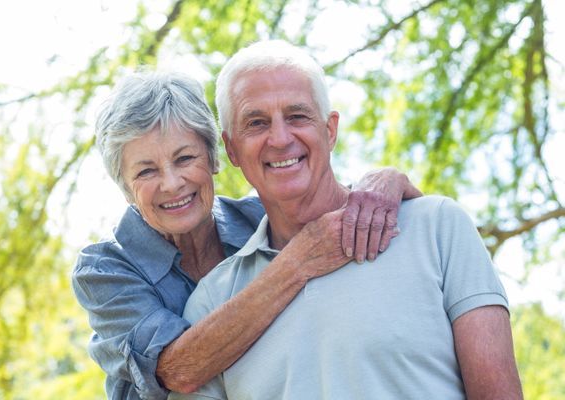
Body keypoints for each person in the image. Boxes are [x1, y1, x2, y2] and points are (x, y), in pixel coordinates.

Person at [170, 40, 523, 400]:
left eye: (297, 116)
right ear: (231, 150)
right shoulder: (212, 302)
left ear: (331, 130)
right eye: (256, 123)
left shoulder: (437, 228)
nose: (279, 138)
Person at [72, 71, 422, 399]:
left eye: (185, 158)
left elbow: (349, 212)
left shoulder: (258, 218)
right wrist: (297, 262)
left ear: (215, 159)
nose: (171, 183)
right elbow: (178, 371)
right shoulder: (104, 270)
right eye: (147, 171)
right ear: (126, 188)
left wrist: (386, 181)